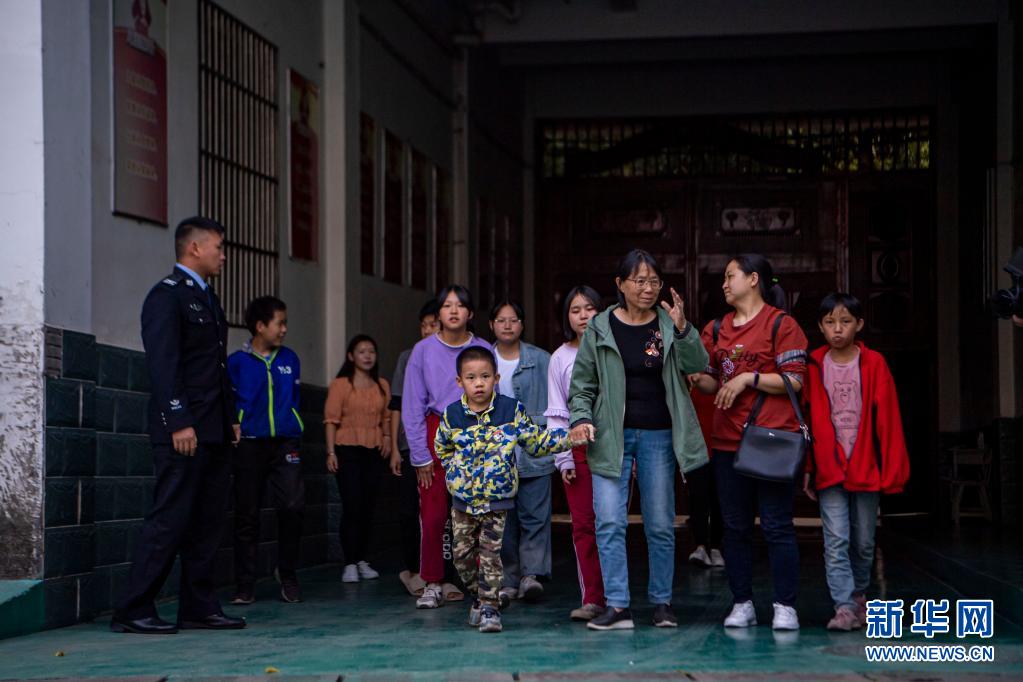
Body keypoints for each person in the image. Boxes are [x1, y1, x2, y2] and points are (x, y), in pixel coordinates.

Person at [111, 217, 245, 634]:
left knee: (207, 523)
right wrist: (178, 421)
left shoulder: (207, 297)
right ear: (195, 248)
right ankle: (133, 608)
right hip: (184, 431)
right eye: (219, 247)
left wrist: (230, 418)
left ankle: (198, 607)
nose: (223, 256)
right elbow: (164, 365)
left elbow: (214, 367)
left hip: (213, 429)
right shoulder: (166, 297)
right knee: (170, 518)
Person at [569, 249, 709, 631]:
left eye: (654, 282)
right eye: (640, 281)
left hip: (659, 437)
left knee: (660, 523)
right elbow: (582, 385)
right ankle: (618, 606)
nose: (648, 289)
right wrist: (581, 418)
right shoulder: (599, 327)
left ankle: (662, 602)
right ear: (620, 284)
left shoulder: (667, 323)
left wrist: (683, 328)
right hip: (610, 437)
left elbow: (698, 364)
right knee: (609, 522)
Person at [691, 253, 808, 631]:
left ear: (754, 279)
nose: (724, 284)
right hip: (727, 442)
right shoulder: (715, 329)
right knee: (734, 526)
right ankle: (742, 602)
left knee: (776, 525)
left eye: (731, 276)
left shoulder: (781, 324)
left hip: (771, 438)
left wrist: (747, 379)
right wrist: (694, 374)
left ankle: (785, 605)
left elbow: (795, 381)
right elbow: (711, 382)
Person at [434, 346, 573, 633]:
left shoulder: (511, 410)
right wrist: (456, 474)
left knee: (490, 556)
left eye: (485, 376)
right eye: (471, 378)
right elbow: (442, 448)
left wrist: (571, 437)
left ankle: (490, 609)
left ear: (496, 378)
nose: (479, 383)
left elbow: (536, 443)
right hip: (463, 501)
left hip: (496, 501)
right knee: (462, 557)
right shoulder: (452, 415)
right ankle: (483, 596)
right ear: (460, 382)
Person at [803, 293, 909, 631]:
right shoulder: (813, 364)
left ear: (859, 325)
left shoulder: (874, 363)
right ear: (820, 327)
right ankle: (844, 607)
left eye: (845, 322)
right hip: (829, 466)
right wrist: (808, 467)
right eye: (830, 322)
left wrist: (891, 469)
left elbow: (889, 419)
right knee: (836, 540)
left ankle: (859, 595)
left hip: (866, 465)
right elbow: (805, 420)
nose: (837, 329)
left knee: (863, 542)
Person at [402, 285, 491, 609]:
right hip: (435, 432)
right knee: (433, 514)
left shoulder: (483, 349)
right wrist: (420, 455)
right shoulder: (422, 351)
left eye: (460, 305)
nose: (453, 311)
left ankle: (483, 585)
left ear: (470, 313)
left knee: (478, 513)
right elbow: (412, 406)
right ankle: (432, 582)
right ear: (439, 313)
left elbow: (495, 399)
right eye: (447, 305)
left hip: (474, 431)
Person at [227, 296, 305, 605]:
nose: (284, 329)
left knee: (292, 506)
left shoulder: (290, 359)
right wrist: (236, 425)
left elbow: (294, 399)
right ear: (260, 326)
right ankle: (245, 584)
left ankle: (287, 574)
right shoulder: (236, 362)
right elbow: (230, 402)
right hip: (249, 443)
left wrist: (294, 423)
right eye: (279, 323)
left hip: (285, 442)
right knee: (247, 514)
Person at [547, 285, 606, 621]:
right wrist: (564, 458)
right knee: (584, 526)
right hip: (578, 451)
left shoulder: (614, 349)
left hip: (614, 449)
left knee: (611, 525)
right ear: (567, 317)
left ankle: (617, 597)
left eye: (589, 308)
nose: (583, 315)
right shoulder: (559, 358)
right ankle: (593, 598)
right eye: (575, 310)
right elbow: (557, 414)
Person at [489, 300, 554, 606]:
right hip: (495, 453)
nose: (507, 325)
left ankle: (531, 575)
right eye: (501, 320)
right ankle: (507, 580)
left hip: (533, 448)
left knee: (535, 516)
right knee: (502, 518)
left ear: (522, 325)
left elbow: (556, 404)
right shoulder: (482, 359)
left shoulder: (541, 359)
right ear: (491, 325)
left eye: (513, 320)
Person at [324, 335, 391, 583]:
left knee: (368, 506)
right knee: (352, 505)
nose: (367, 356)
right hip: (347, 449)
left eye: (371, 351)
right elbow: (331, 420)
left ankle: (362, 559)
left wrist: (387, 438)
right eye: (362, 351)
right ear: (351, 356)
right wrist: (331, 452)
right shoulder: (340, 384)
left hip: (374, 450)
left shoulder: (382, 385)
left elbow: (386, 418)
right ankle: (350, 562)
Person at [388, 300, 441, 593]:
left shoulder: (452, 356)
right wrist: (395, 446)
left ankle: (440, 573)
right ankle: (412, 570)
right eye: (424, 325)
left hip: (442, 445)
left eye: (433, 325)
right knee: (409, 510)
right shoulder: (408, 357)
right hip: (411, 445)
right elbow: (397, 404)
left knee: (439, 513)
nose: (428, 330)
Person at [686, 387, 725, 569]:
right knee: (697, 495)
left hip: (722, 439)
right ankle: (700, 546)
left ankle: (717, 547)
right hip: (695, 441)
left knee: (720, 497)